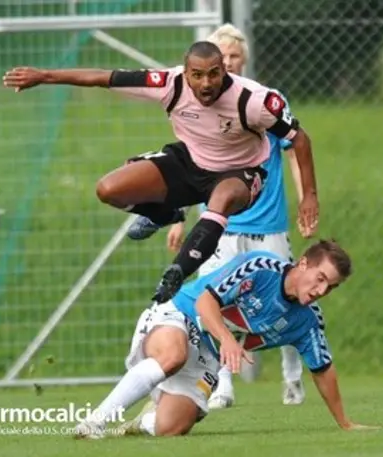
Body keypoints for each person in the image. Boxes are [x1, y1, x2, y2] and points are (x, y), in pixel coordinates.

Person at [2, 41, 320, 306]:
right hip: (189, 163)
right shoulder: (169, 83)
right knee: (109, 189)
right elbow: (103, 77)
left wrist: (309, 196)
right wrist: (44, 75)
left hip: (241, 173)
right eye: (197, 75)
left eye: (213, 74)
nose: (206, 83)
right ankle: (166, 213)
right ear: (186, 72)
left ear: (225, 70)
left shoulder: (253, 101)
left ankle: (177, 272)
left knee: (221, 198)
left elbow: (299, 138)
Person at [129, 23, 308, 409]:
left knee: (289, 300)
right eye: (219, 56)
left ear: (239, 62)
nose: (225, 63)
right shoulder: (196, 104)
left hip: (268, 219)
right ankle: (222, 383)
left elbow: (294, 146)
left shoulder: (260, 102)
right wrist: (177, 219)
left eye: (231, 58)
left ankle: (293, 380)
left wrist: (306, 199)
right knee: (216, 300)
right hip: (223, 227)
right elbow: (193, 171)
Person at [73, 239, 379, 439]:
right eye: (321, 278)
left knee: (172, 428)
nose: (321, 291)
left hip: (208, 355)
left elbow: (322, 369)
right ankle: (95, 422)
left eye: (331, 287)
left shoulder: (308, 320)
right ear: (303, 263)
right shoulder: (261, 267)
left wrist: (345, 423)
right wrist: (227, 340)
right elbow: (206, 302)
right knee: (173, 355)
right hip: (181, 314)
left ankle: (143, 421)